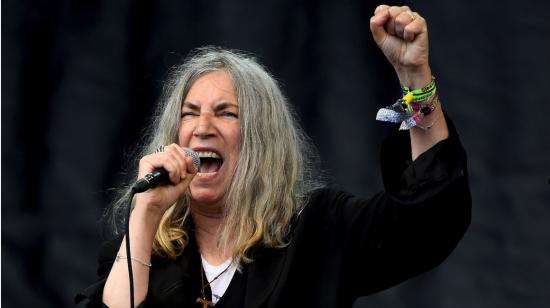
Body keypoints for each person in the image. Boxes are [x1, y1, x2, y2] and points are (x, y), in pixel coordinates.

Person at [76, 4, 471, 308]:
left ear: (261, 139)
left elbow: (427, 219)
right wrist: (144, 215)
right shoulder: (143, 253)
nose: (202, 127)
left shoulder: (319, 231)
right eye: (189, 114)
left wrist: (415, 80)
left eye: (226, 113)